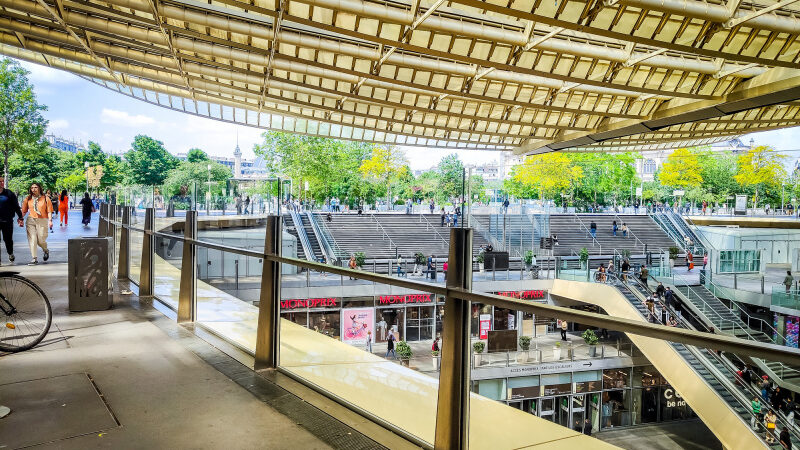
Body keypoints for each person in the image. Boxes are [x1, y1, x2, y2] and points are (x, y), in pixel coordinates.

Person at [21, 182, 53, 265]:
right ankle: (34, 258)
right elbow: (24, 211)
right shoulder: (28, 199)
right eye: (32, 188)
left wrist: (50, 220)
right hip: (31, 220)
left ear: (39, 188)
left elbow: (49, 211)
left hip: (42, 220)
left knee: (41, 240)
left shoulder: (46, 198)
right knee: (33, 239)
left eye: (35, 187)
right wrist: (20, 219)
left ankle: (45, 250)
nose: (33, 189)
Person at [0, 177, 23, 264]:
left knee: (8, 239)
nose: (2, 183)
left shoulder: (9, 193)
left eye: (3, 181)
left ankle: (10, 253)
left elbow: (16, 206)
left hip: (7, 220)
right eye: (0, 181)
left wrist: (20, 217)